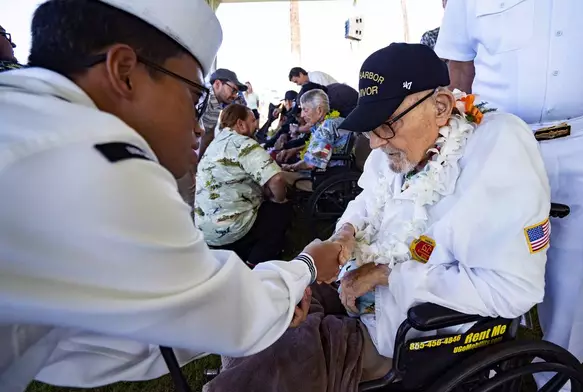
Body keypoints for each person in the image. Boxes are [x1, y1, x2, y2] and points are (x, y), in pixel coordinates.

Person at [0, 1, 343, 391]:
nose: (198, 126)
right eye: (195, 98)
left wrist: (267, 305)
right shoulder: (89, 158)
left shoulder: (31, 122)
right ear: (124, 72)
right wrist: (307, 268)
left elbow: (90, 343)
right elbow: (234, 316)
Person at [203, 43, 551, 392]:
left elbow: (514, 290)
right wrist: (346, 233)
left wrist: (387, 275)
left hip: (411, 329)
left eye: (384, 125)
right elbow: (368, 197)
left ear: (442, 107)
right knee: (273, 311)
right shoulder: (398, 145)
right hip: (356, 289)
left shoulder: (499, 151)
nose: (375, 143)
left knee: (283, 361)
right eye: (369, 128)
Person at [434, 0, 583, 370]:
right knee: (483, 257)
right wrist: (451, 141)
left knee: (576, 277)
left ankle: (559, 375)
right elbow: (459, 66)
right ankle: (482, 364)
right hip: (498, 140)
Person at [195, 104, 291, 267]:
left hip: (205, 231)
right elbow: (277, 180)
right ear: (240, 124)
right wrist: (279, 199)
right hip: (231, 230)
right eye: (253, 120)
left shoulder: (217, 142)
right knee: (281, 210)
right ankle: (254, 264)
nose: (256, 125)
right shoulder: (243, 143)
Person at [281, 89, 351, 191]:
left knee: (278, 177)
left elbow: (311, 164)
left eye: (305, 110)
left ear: (319, 110)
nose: (302, 115)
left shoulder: (326, 128)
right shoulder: (336, 121)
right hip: (339, 173)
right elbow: (323, 149)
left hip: (326, 177)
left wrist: (291, 166)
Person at [199, 68, 247, 159]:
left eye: (237, 92)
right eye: (233, 90)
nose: (235, 96)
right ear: (217, 84)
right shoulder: (202, 97)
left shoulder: (217, 103)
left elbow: (208, 135)